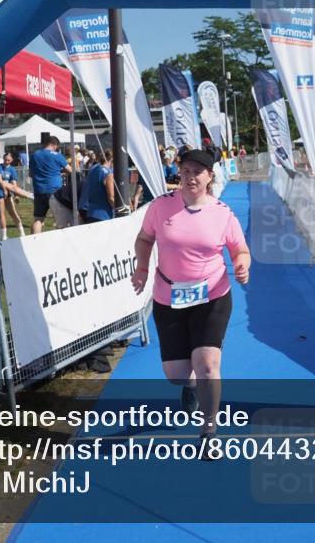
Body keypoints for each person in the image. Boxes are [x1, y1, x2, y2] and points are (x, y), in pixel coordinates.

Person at [130, 148, 251, 455]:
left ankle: (209, 430)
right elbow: (145, 239)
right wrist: (142, 268)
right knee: (178, 375)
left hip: (212, 295)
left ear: (210, 176)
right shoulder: (160, 207)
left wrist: (242, 264)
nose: (190, 177)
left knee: (209, 364)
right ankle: (189, 384)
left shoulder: (223, 213)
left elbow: (241, 249)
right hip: (168, 296)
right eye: (185, 171)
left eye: (197, 172)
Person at [29, 136, 69, 233]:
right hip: (55, 190)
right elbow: (70, 170)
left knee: (38, 219)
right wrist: (62, 174)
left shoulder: (34, 155)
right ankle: (61, 241)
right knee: (61, 218)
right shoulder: (57, 155)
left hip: (39, 190)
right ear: (54, 145)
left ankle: (34, 241)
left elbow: (30, 173)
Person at [85, 150, 116, 223]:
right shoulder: (108, 174)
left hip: (91, 213)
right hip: (104, 215)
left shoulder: (92, 170)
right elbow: (111, 198)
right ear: (111, 159)